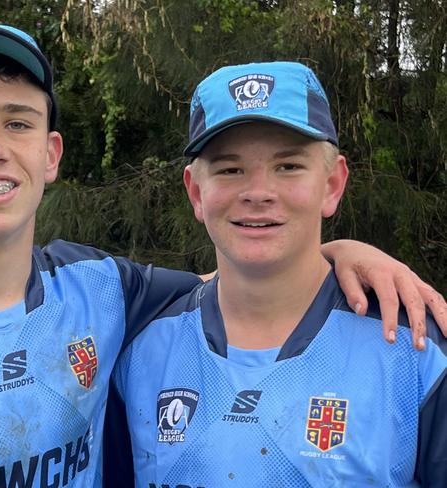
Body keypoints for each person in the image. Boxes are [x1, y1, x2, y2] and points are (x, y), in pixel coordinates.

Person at [0, 25, 444, 487]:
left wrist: (337, 252)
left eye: (17, 122)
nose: (258, 191)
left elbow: (254, 267)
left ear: (50, 153)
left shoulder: (101, 292)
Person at [108, 62, 447, 486]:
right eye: (230, 170)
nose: (258, 193)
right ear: (196, 192)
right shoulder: (138, 350)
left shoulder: (416, 346)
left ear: (332, 185)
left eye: (288, 167)